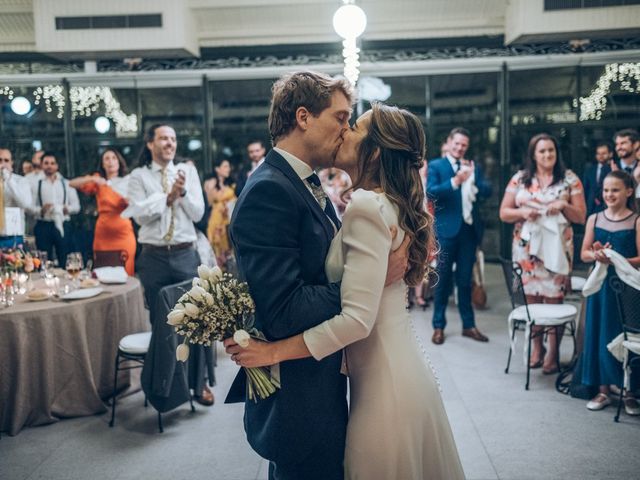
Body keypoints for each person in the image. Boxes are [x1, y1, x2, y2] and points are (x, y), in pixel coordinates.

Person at [226, 103, 463, 479]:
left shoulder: (367, 206)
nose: (345, 130)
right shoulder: (387, 203)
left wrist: (272, 352)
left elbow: (356, 319)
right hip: (395, 370)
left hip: (385, 388)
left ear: (376, 150)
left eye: (354, 126)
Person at [124, 124, 214, 406]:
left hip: (187, 255)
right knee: (162, 324)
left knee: (197, 320)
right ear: (150, 143)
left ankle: (198, 385)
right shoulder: (138, 176)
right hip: (154, 258)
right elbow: (139, 215)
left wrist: (183, 193)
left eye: (173, 139)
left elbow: (199, 212)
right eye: (164, 138)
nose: (170, 143)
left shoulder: (188, 172)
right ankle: (167, 389)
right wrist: (167, 197)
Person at [499, 133, 586, 374]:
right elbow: (504, 213)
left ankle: (554, 350)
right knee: (532, 299)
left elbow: (581, 216)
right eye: (542, 151)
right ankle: (537, 347)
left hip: (558, 249)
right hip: (526, 251)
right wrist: (523, 213)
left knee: (554, 300)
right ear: (533, 155)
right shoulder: (520, 179)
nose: (547, 155)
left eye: (551, 150)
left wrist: (564, 206)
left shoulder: (570, 180)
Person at [578, 170, 640, 415]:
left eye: (615, 190)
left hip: (627, 290)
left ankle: (629, 391)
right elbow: (583, 254)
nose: (609, 194)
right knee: (600, 334)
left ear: (629, 191)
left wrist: (617, 259)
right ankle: (603, 389)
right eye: (606, 190)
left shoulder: (636, 221)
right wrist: (597, 255)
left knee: (624, 335)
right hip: (601, 289)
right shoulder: (594, 219)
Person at [427, 127, 492, 345]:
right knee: (443, 280)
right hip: (447, 232)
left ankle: (469, 325)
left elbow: (486, 192)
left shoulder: (472, 166)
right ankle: (438, 326)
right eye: (457, 143)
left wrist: (474, 180)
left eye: (464, 144)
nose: (460, 147)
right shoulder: (437, 166)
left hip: (469, 231)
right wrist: (455, 182)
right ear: (449, 142)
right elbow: (431, 192)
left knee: (465, 281)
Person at [69, 148, 136, 275]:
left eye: (113, 158)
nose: (110, 161)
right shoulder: (98, 181)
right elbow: (72, 183)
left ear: (119, 162)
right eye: (107, 158)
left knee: (126, 273)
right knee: (102, 274)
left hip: (123, 233)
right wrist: (92, 179)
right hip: (103, 235)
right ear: (103, 164)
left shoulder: (128, 181)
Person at [27, 152, 80, 266]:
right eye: (46, 163)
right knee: (44, 259)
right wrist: (41, 210)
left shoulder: (66, 183)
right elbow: (29, 206)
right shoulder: (35, 184)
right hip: (44, 225)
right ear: (41, 165)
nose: (49, 166)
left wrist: (68, 209)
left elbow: (77, 206)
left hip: (63, 224)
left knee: (66, 258)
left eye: (52, 163)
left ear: (57, 166)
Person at [204, 159, 236, 267]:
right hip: (215, 220)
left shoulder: (230, 184)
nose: (228, 169)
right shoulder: (211, 183)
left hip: (227, 220)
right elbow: (207, 203)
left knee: (228, 250)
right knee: (215, 249)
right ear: (217, 169)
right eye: (225, 166)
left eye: (228, 166)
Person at [0, 147, 33, 248]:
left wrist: (9, 180)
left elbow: (25, 204)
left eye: (6, 160)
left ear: (11, 163)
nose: (2, 164)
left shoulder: (20, 181)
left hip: (14, 235)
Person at [583, 141, 613, 217]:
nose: (600, 156)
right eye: (598, 154)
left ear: (610, 154)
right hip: (591, 208)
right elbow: (585, 190)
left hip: (609, 207)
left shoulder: (614, 168)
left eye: (604, 153)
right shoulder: (590, 170)